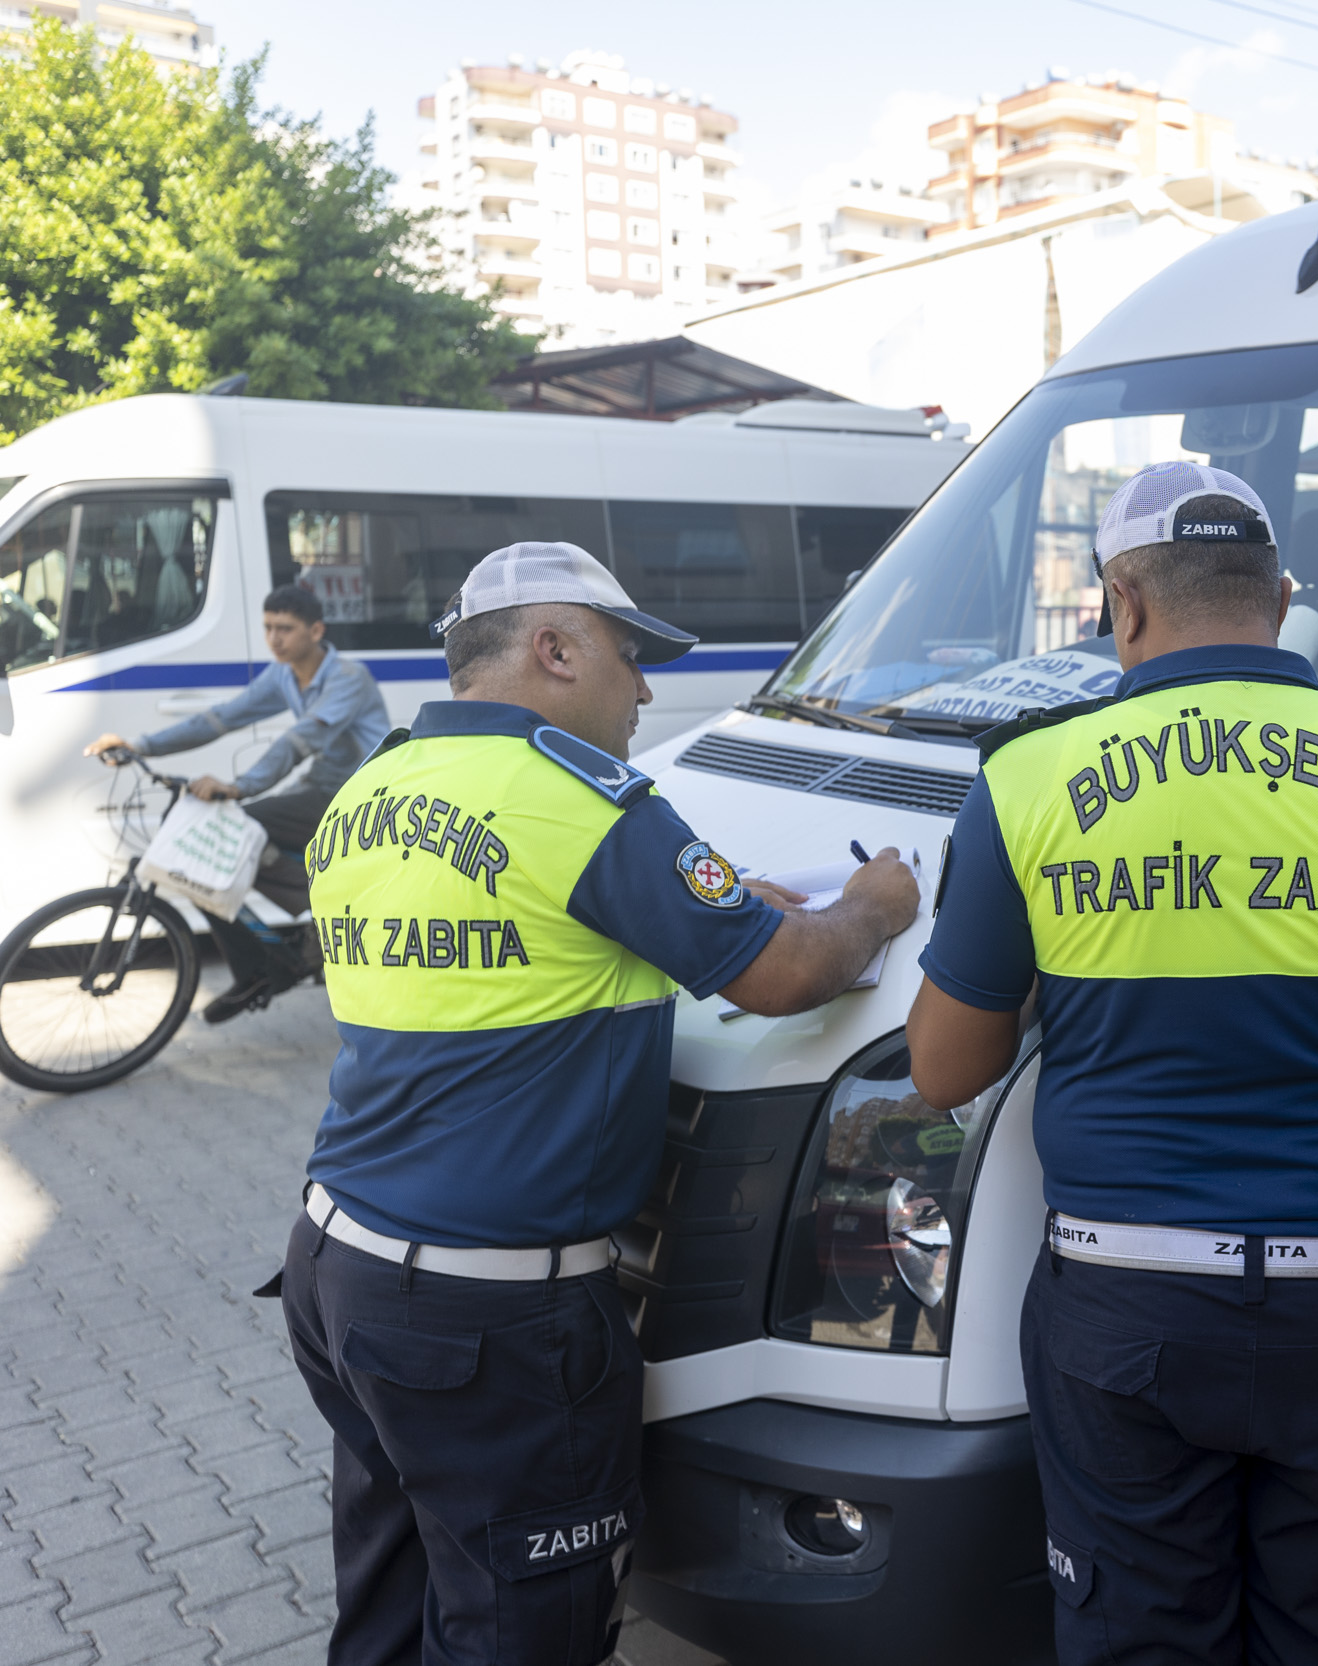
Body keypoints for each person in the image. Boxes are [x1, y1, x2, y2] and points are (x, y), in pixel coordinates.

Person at [905, 462, 1318, 1666]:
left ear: (1123, 604)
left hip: (1127, 1304)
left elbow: (944, 1070)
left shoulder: (1031, 779)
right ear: (1282, 596)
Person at [273, 543, 921, 1666]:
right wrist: (870, 904)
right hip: (488, 1327)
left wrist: (704, 911)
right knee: (524, 1633)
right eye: (632, 657)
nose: (647, 692)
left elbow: (512, 951)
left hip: (340, 1272)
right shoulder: (580, 797)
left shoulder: (374, 786)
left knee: (385, 1599)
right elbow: (784, 977)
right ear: (554, 649)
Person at [86, 584, 390, 1021]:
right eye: (268, 628)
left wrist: (241, 786)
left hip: (365, 792)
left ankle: (322, 924)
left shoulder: (348, 678)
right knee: (224, 839)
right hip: (323, 787)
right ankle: (272, 961)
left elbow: (301, 739)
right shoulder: (284, 675)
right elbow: (223, 718)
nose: (274, 638)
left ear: (316, 630)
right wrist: (141, 746)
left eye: (285, 628)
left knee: (236, 827)